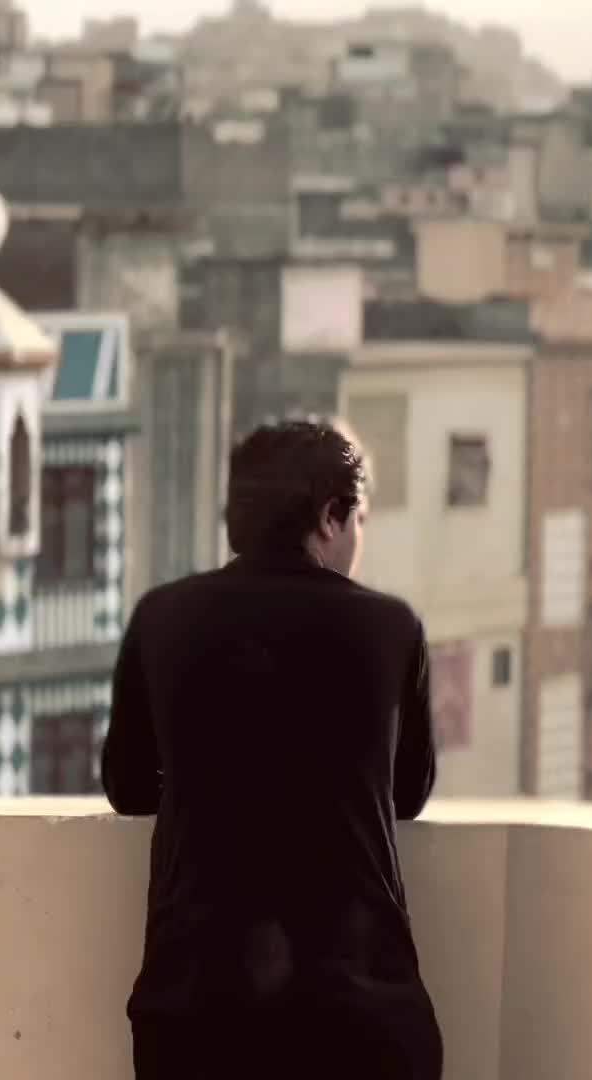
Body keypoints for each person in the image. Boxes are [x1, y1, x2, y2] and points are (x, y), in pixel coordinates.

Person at [101, 418, 442, 1080]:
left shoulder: (163, 617)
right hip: (361, 1018)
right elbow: (407, 795)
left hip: (195, 1015)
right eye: (358, 519)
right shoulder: (392, 627)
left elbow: (130, 787)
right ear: (330, 517)